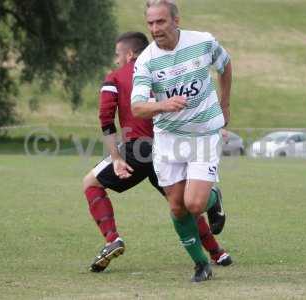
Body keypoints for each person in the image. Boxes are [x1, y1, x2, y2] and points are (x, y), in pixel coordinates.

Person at [82, 31, 232, 273]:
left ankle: (112, 239)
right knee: (183, 204)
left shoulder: (116, 78)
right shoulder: (164, 68)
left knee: (90, 183)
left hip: (140, 149)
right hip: (170, 143)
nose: (116, 60)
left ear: (129, 54)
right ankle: (218, 252)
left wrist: (117, 158)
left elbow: (106, 119)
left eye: (117, 55)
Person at [131, 0, 232, 282]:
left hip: (204, 134)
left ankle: (214, 198)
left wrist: (225, 103)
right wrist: (164, 105)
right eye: (150, 23)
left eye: (160, 22)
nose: (155, 29)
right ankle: (201, 264)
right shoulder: (146, 60)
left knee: (195, 204)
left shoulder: (203, 42)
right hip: (168, 139)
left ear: (176, 20)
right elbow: (138, 106)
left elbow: (225, 65)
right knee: (177, 206)